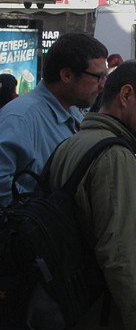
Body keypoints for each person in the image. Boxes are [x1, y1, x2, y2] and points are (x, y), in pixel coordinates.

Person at [44, 60, 136, 330]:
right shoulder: (115, 156)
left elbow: (84, 227)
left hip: (71, 321)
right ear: (126, 96)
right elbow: (121, 254)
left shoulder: (73, 143)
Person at [0, 32, 107, 206]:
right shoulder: (20, 117)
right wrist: (34, 216)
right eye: (98, 77)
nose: (103, 85)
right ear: (67, 75)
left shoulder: (73, 113)